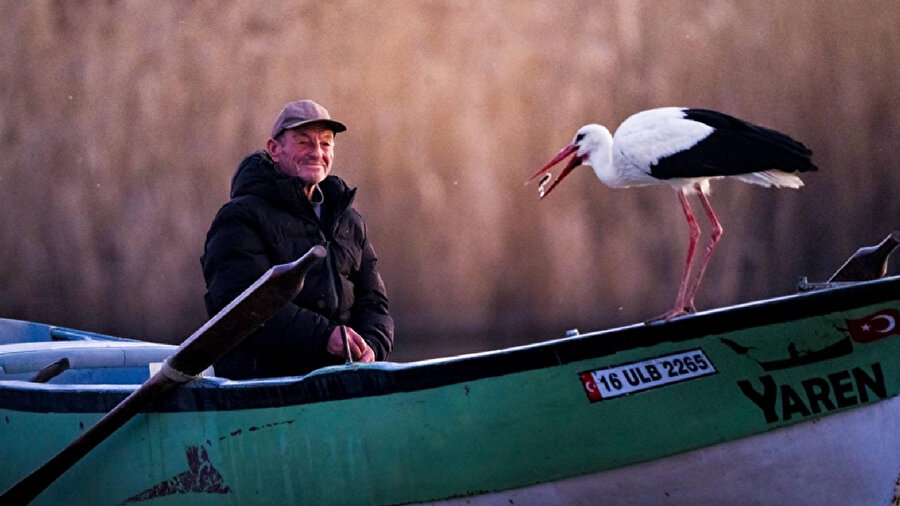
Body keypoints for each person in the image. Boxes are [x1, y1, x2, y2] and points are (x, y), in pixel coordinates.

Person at [201, 100, 393, 379]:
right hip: (265, 390)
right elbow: (242, 306)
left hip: (343, 383)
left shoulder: (349, 221)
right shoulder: (239, 218)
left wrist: (371, 347)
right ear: (274, 150)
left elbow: (374, 303)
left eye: (325, 144)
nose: (317, 153)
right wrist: (325, 337)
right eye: (304, 143)